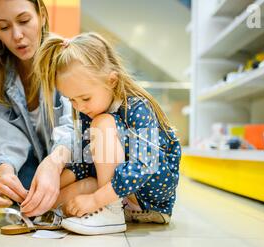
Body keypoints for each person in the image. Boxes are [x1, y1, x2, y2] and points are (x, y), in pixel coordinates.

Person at [31, 32, 182, 235]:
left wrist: (95, 200)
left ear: (111, 81)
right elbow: (84, 164)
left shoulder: (137, 106)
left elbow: (145, 165)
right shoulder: (89, 111)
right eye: (72, 100)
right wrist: (47, 190)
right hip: (123, 194)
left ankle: (109, 213)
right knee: (61, 197)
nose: (79, 106)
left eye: (85, 98)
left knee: (102, 123)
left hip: (151, 200)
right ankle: (45, 209)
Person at [0, 0, 74, 217]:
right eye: (4, 27)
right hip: (35, 177)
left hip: (74, 169)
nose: (17, 35)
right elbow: (4, 133)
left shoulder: (66, 60)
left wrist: (54, 163)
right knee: (21, 196)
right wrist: (5, 174)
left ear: (42, 15)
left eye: (24, 20)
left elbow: (74, 125)